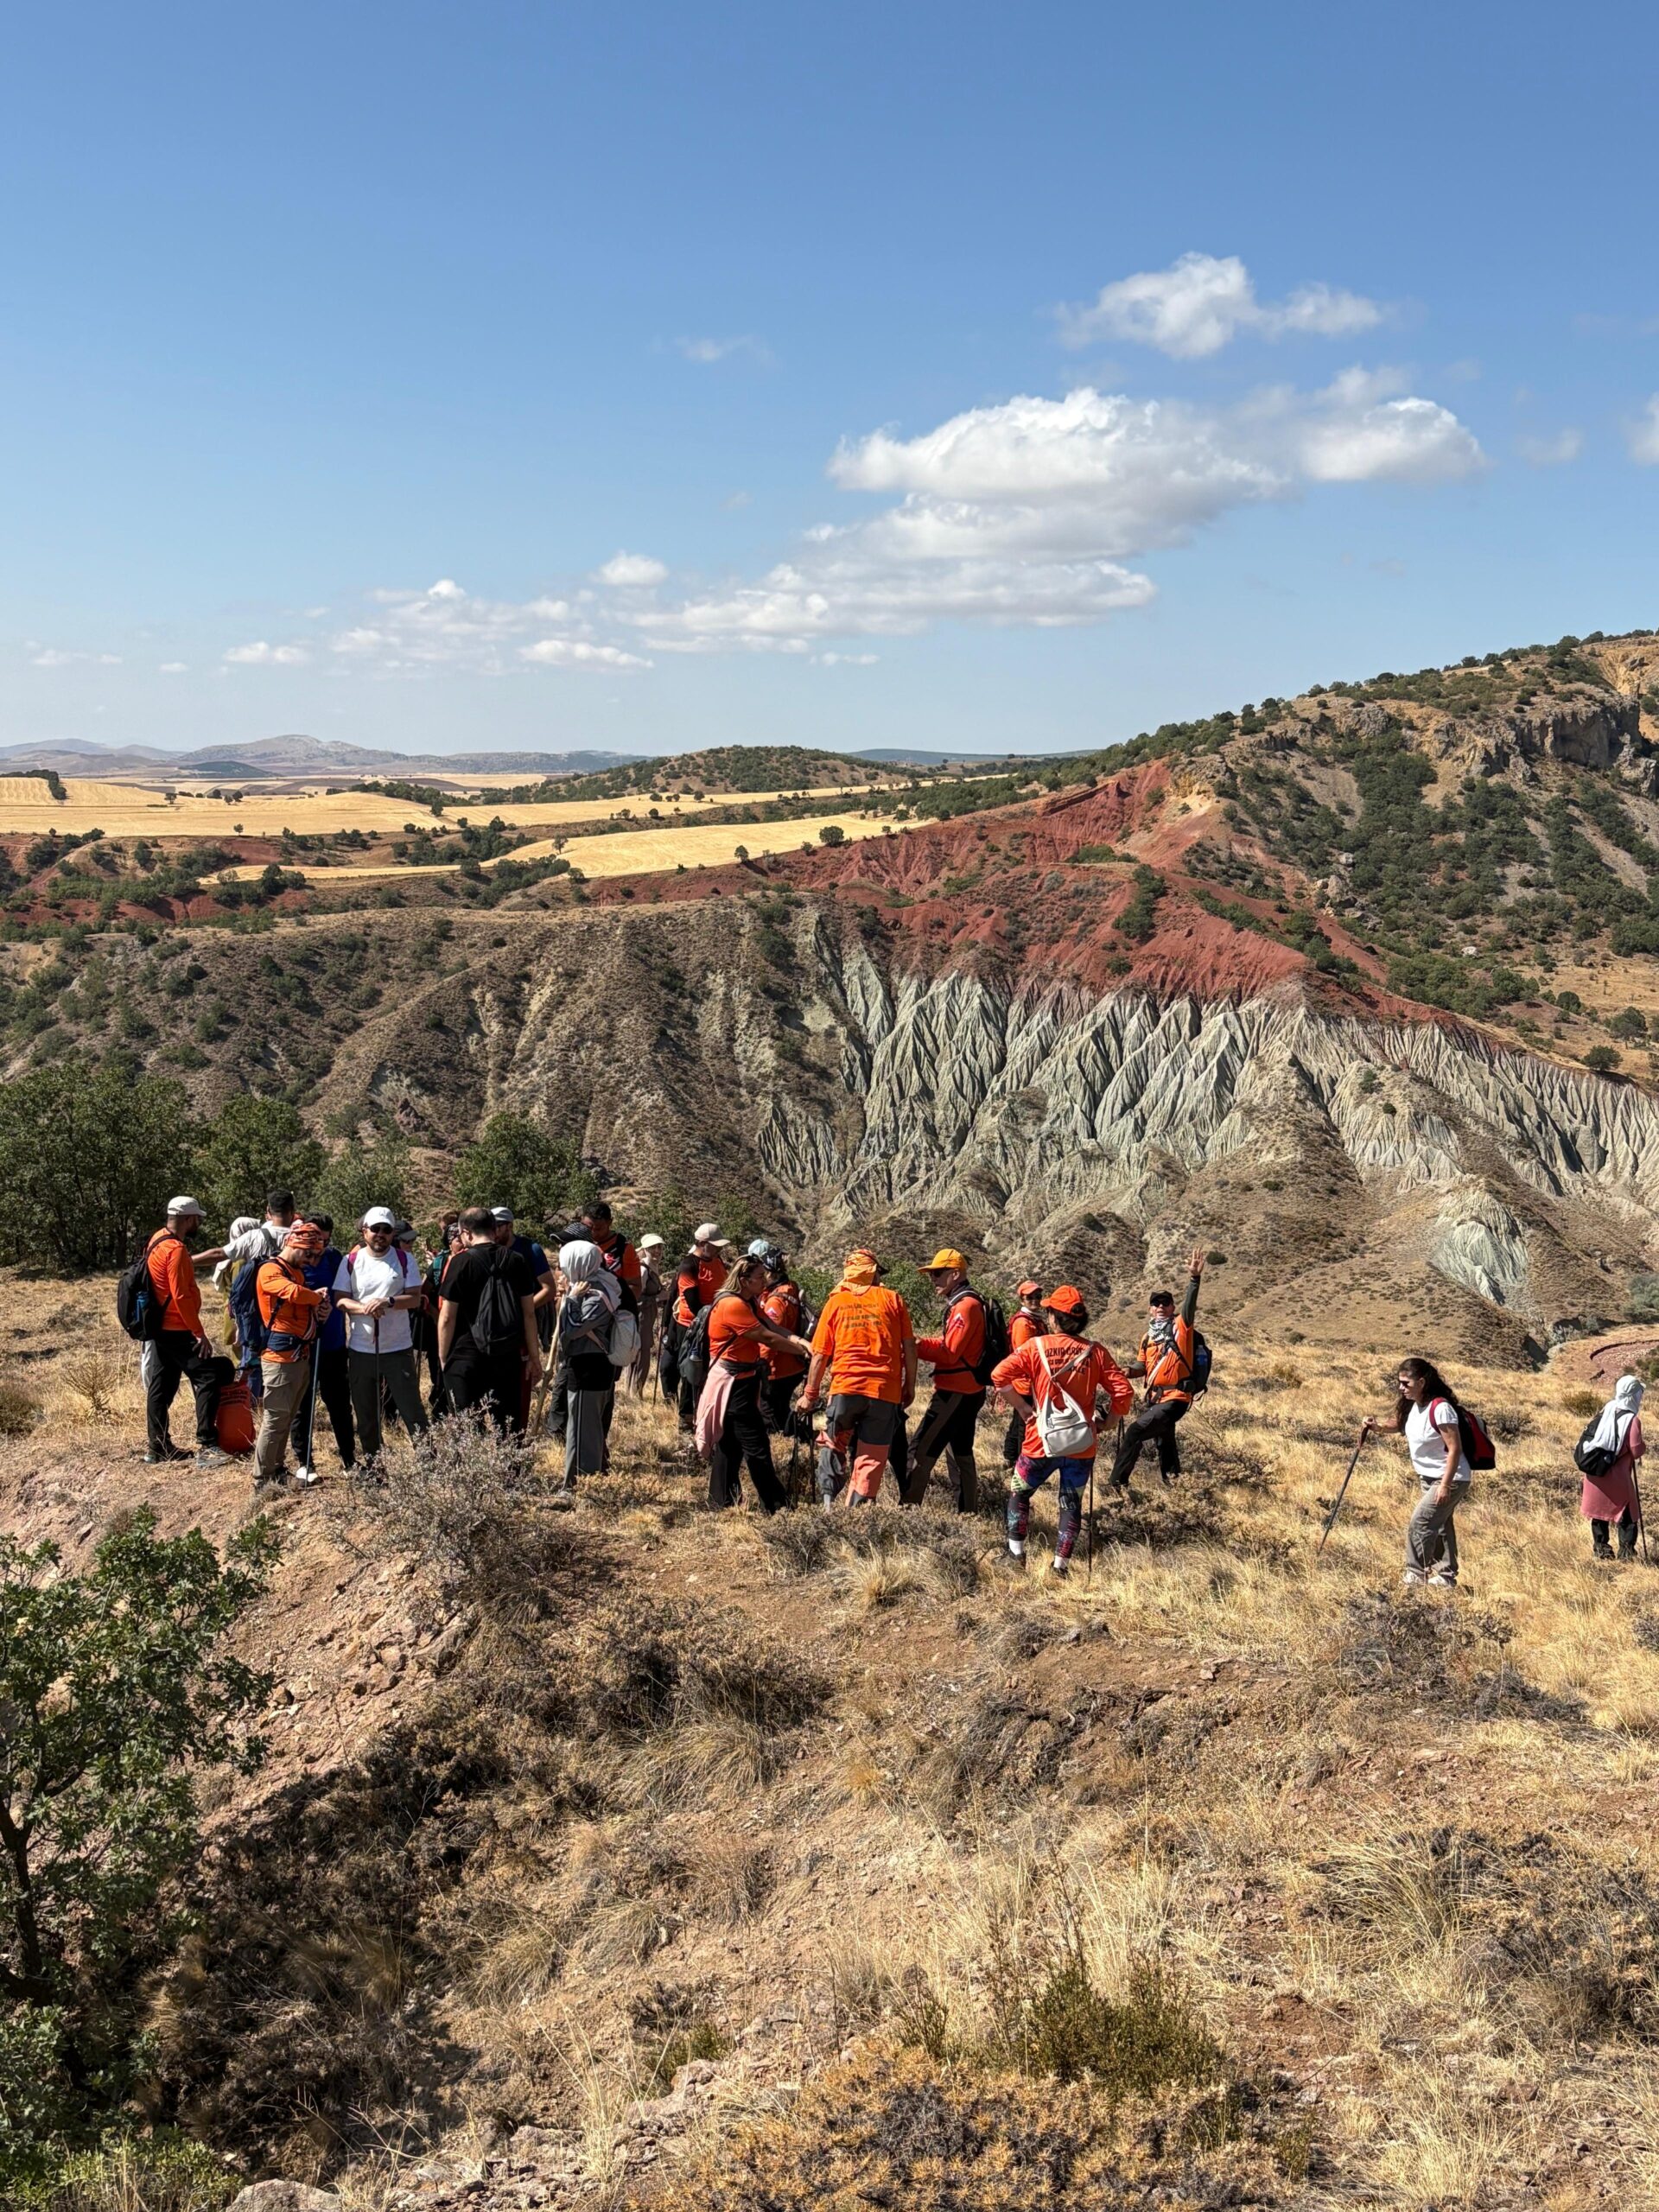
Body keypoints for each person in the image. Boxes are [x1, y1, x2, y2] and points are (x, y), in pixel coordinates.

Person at [991, 1287, 1133, 1573]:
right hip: (1082, 1442)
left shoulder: (1036, 1347)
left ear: (1054, 1317)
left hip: (1041, 1440)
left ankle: (1016, 1556)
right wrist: (1109, 1422)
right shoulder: (1095, 1352)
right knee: (1070, 1502)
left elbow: (999, 1375)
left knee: (1019, 1492)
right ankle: (1061, 1567)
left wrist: (1022, 1408)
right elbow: (1124, 1392)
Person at [798, 1249, 917, 1506]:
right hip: (884, 1392)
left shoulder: (836, 1302)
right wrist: (910, 1387)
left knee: (832, 1442)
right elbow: (909, 1347)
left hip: (844, 1390)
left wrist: (810, 1395)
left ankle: (829, 1504)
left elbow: (819, 1355)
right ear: (873, 1273)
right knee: (871, 1457)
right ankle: (858, 1515)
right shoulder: (893, 1299)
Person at [698, 1254, 813, 1513]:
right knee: (757, 1444)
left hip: (742, 1381)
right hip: (734, 1384)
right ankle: (776, 1505)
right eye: (760, 1277)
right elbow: (767, 1338)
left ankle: (721, 1499)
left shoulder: (747, 1301)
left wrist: (801, 1342)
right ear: (744, 1280)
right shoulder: (733, 1306)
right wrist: (801, 1351)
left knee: (730, 1443)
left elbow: (771, 1325)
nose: (765, 1280)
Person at [1361, 1355, 1471, 1589]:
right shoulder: (1414, 1405)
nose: (1401, 1388)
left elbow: (1454, 1449)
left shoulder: (1441, 1408)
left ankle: (1415, 1574)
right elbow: (1400, 1425)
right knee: (1440, 1525)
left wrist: (1445, 1485)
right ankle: (1445, 1576)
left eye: (1406, 1383)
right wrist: (1377, 1427)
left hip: (1450, 1478)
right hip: (1429, 1477)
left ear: (1421, 1382)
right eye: (1399, 1383)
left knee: (1420, 1522)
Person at [334, 1206, 430, 1466]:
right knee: (366, 1414)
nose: (380, 1234)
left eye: (386, 1230)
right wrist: (363, 1308)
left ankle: (431, 1467)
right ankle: (375, 1467)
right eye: (375, 1229)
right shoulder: (350, 1261)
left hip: (398, 1348)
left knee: (412, 1411)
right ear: (364, 1231)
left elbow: (413, 1298)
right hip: (361, 1348)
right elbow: (341, 1300)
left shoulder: (403, 1259)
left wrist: (387, 1302)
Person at [142, 1197, 232, 1467]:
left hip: (159, 1327)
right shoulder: (176, 1250)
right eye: (197, 1219)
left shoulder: (156, 1239)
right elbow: (180, 1295)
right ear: (187, 1219)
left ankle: (157, 1447)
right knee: (210, 1375)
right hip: (176, 1327)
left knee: (162, 1385)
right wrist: (199, 1333)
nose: (198, 1223)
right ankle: (208, 1445)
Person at [438, 1206, 543, 1433]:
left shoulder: (460, 1262)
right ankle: (509, 1469)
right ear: (495, 1230)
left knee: (467, 1430)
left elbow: (447, 1317)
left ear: (465, 1232)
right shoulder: (517, 1260)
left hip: (466, 1355)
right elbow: (529, 1314)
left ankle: (474, 1469)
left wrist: (444, 1357)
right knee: (508, 1429)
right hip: (507, 1354)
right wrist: (534, 1358)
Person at [904, 1249, 991, 1512]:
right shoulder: (971, 1302)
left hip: (954, 1393)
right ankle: (967, 1513)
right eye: (931, 1274)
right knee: (961, 1453)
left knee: (919, 1452)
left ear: (955, 1274)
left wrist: (914, 1345)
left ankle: (907, 1511)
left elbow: (949, 1353)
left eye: (938, 1273)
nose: (933, 1279)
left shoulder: (965, 1307)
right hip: (969, 1391)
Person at [1112, 1249, 1207, 1489]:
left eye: (1166, 1302)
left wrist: (1194, 1280)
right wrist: (1129, 1371)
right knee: (1165, 1441)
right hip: (1156, 1398)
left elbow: (1190, 1307)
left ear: (1172, 1306)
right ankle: (1175, 1486)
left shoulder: (1181, 1328)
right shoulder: (1147, 1337)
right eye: (1156, 1303)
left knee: (1134, 1432)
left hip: (1176, 1397)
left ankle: (1116, 1484)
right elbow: (1142, 1365)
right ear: (1150, 1309)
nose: (1161, 1306)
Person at [252, 1221, 330, 1488]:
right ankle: (261, 1478)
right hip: (278, 1357)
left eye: (316, 1256)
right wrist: (315, 1297)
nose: (311, 1261)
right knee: (274, 1418)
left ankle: (276, 1468)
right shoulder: (270, 1270)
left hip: (299, 1354)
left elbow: (301, 1301)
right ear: (294, 1245)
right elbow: (291, 1293)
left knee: (287, 1416)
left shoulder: (296, 1272)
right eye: (309, 1254)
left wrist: (319, 1306)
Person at [555, 1238, 622, 1493]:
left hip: (589, 1368)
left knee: (581, 1431)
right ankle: (583, 1482)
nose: (562, 1270)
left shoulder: (595, 1293)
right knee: (583, 1428)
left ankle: (576, 1487)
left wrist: (570, 1299)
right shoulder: (600, 1285)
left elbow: (572, 1329)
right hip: (589, 1366)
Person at [294, 1214, 353, 1483]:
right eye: (317, 1239)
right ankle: (305, 1463)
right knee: (302, 1406)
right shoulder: (292, 1261)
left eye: (326, 1241)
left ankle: (350, 1460)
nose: (320, 1246)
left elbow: (347, 1292)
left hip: (334, 1345)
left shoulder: (334, 1258)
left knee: (340, 1405)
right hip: (303, 1346)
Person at [669, 1223, 729, 1433]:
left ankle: (703, 1414)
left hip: (715, 1323)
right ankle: (685, 1419)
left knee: (708, 1371)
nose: (719, 1250)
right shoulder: (689, 1265)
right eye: (714, 1246)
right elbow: (693, 1303)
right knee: (691, 1371)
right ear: (702, 1244)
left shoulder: (717, 1261)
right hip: (692, 1327)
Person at [1579, 1374, 1646, 1561]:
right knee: (1627, 1514)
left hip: (1595, 1473)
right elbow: (1636, 1450)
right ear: (1633, 1395)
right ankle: (1626, 1555)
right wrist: (1644, 1446)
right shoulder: (1632, 1420)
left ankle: (1602, 1551)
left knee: (1598, 1513)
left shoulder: (1606, 1410)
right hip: (1616, 1478)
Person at [753, 1241, 809, 1433]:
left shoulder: (775, 1302)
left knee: (768, 1413)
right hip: (793, 1365)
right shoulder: (790, 1287)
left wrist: (760, 1366)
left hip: (778, 1368)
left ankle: (794, 1439)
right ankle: (802, 1436)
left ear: (769, 1272)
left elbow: (770, 1339)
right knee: (781, 1409)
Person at [1002, 1281, 1046, 1468]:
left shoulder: (1033, 1320)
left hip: (1025, 1382)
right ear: (1022, 1299)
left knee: (1018, 1420)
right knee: (1026, 1425)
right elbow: (1024, 1355)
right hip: (1025, 1383)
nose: (1035, 1300)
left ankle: (1010, 1457)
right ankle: (1022, 1467)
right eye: (1030, 1297)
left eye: (1038, 1296)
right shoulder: (1024, 1323)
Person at [628, 1232, 666, 1395]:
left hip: (647, 1317)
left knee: (641, 1354)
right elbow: (636, 1299)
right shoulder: (644, 1270)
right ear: (646, 1249)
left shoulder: (651, 1267)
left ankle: (635, 1392)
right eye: (653, 1247)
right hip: (642, 1317)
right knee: (641, 1355)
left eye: (659, 1247)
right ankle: (635, 1393)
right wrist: (659, 1297)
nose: (657, 1250)